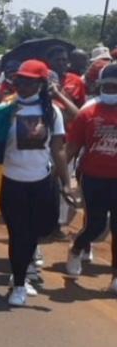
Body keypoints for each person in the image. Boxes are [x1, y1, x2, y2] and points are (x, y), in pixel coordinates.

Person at [0, 60, 73, 306]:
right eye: (19, 80)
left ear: (41, 84)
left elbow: (58, 149)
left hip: (41, 181)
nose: (22, 85)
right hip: (11, 181)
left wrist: (66, 183)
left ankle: (21, 270)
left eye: (29, 82)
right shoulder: (6, 109)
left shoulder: (52, 112)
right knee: (18, 233)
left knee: (37, 231)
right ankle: (19, 284)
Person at [63, 62, 117, 294]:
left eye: (115, 87)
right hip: (93, 177)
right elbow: (72, 147)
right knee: (95, 225)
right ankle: (77, 248)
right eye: (107, 86)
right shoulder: (88, 112)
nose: (111, 91)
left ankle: (115, 276)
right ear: (100, 86)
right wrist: (59, 176)